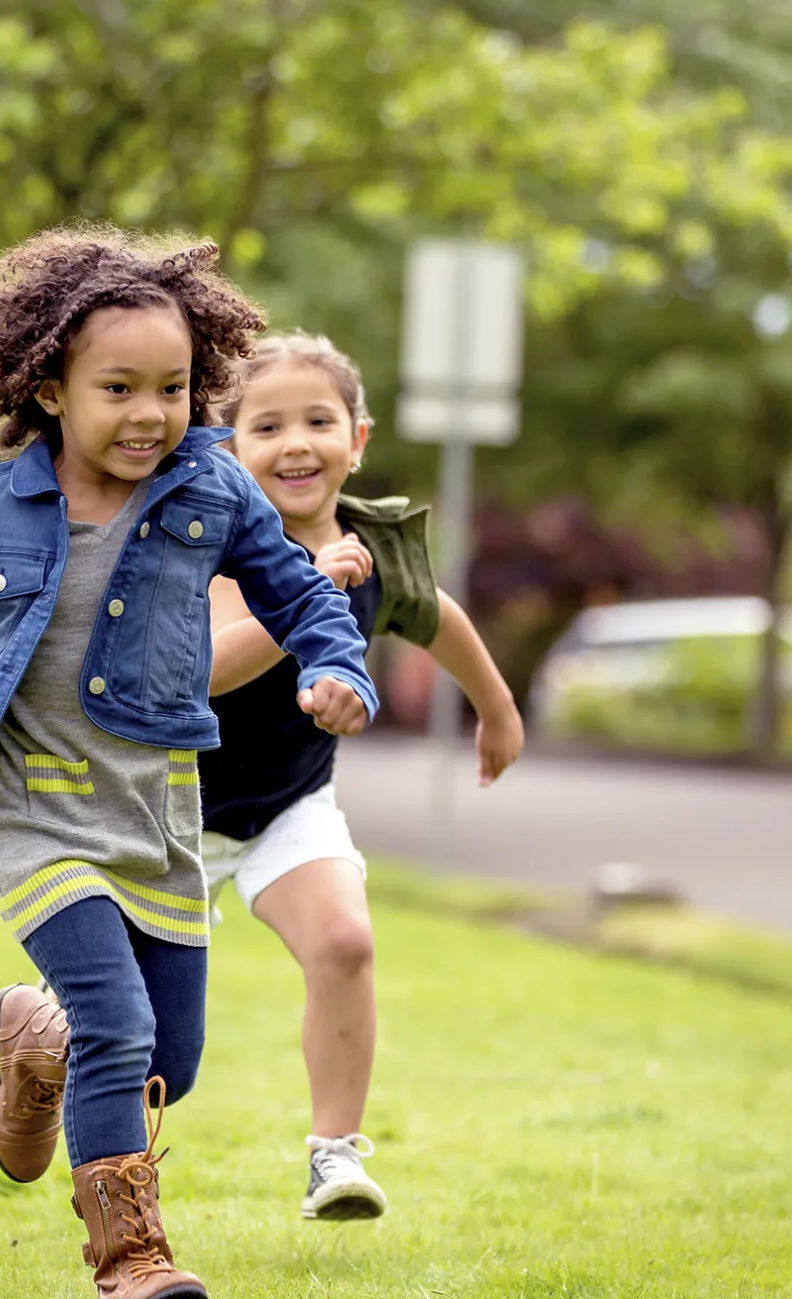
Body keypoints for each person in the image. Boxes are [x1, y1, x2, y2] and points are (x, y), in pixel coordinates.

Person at [0, 227, 379, 1299]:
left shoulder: (212, 492)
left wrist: (334, 663)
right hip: (34, 812)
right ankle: (130, 1255)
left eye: (172, 388)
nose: (149, 414)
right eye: (117, 386)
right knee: (120, 1023)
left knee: (169, 1058)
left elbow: (304, 590)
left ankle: (38, 1039)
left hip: (158, 810)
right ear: (48, 386)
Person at [199, 332, 525, 1221]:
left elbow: (436, 616)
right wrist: (304, 591)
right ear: (229, 448)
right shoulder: (212, 539)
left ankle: (333, 1155)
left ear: (358, 439)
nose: (294, 442)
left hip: (285, 807)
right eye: (265, 426)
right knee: (141, 1026)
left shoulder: (374, 548)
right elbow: (212, 668)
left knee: (345, 943)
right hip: (165, 813)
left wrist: (495, 709)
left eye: (317, 420)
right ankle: (42, 1040)